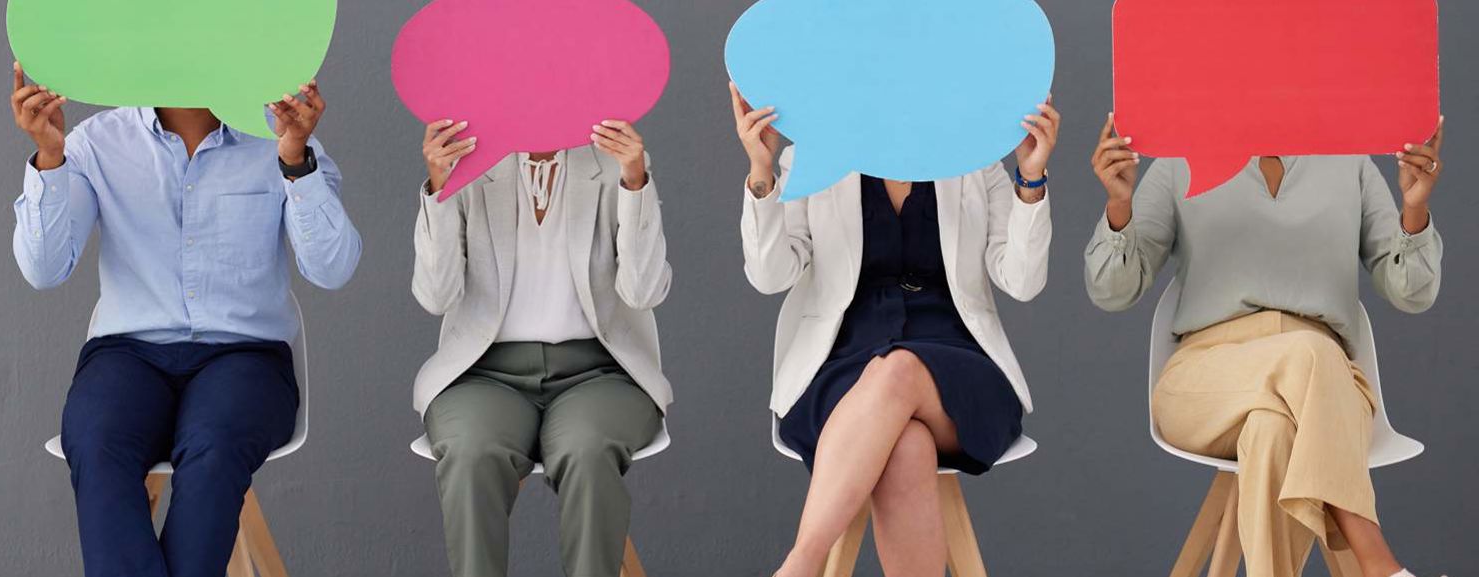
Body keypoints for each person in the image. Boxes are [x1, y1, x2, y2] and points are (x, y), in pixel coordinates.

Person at [7, 65, 360, 577]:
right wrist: (50, 157)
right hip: (128, 354)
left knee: (214, 446)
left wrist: (294, 162)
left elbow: (333, 269)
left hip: (246, 357)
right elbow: (43, 270)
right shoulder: (96, 142)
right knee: (95, 437)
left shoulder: (279, 135)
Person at [1086, 114, 1447, 577]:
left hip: (1327, 389)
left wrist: (1414, 209)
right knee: (1306, 353)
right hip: (1208, 378)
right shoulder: (1183, 156)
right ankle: (1377, 562)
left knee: (1272, 429)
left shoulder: (1347, 158)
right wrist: (1120, 204)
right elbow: (1112, 292)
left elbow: (1412, 292)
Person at [730, 82, 1057, 577]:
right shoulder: (812, 158)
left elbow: (1023, 280)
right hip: (839, 367)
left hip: (960, 370)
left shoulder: (974, 160)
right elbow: (770, 276)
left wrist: (1030, 180)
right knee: (906, 447)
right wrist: (762, 174)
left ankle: (801, 564)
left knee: (899, 370)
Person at [410, 115, 673, 577]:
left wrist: (634, 182)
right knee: (470, 451)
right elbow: (436, 296)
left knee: (587, 450)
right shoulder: (469, 162)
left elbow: (645, 293)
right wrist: (441, 187)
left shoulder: (613, 160)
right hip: (484, 374)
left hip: (600, 372)